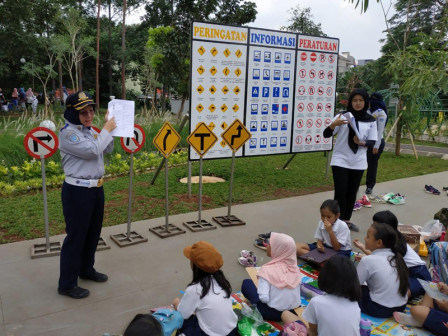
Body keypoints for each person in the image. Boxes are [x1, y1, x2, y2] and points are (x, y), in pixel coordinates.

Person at [58, 91, 116, 299]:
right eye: (83, 112)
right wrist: (106, 131)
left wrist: (110, 128)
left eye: (91, 111)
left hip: (96, 189)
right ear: (73, 114)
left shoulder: (89, 131)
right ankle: (66, 283)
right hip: (77, 191)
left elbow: (106, 148)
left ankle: (86, 269)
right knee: (76, 237)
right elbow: (92, 151)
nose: (89, 115)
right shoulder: (68, 134)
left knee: (93, 233)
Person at [323, 88, 377, 232]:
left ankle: (346, 220)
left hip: (358, 162)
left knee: (352, 193)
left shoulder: (371, 120)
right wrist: (334, 124)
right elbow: (326, 134)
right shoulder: (342, 117)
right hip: (340, 160)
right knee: (340, 192)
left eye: (361, 100)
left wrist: (362, 142)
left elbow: (373, 141)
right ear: (350, 102)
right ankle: (335, 222)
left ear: (365, 102)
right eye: (354, 100)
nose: (357, 103)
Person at [354, 210, 431, 299]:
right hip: (407, 272)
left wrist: (365, 253)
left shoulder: (393, 244)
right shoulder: (391, 239)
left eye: (375, 225)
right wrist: (363, 249)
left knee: (399, 293)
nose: (372, 227)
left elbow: (382, 260)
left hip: (419, 275)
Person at [282, 255, 361, 336]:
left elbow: (313, 331)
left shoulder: (317, 302)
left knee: (285, 314)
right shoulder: (354, 303)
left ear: (325, 276)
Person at [172, 241, 238, 336]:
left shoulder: (194, 290)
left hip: (210, 334)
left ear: (195, 267)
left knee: (180, 320)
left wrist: (177, 303)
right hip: (232, 330)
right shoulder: (222, 281)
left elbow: (183, 314)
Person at [241, 232, 301, 322]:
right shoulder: (295, 268)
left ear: (278, 249)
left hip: (274, 313)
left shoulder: (267, 270)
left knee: (246, 283)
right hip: (294, 311)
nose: (267, 246)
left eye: (270, 244)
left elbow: (264, 299)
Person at [357, 222, 408, 318]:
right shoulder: (397, 257)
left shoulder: (368, 260)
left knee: (347, 290)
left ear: (379, 242)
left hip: (379, 308)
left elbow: (353, 285)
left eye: (368, 237)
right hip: (401, 306)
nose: (364, 239)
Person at [365, 92, 388, 194]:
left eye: (374, 99)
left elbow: (380, 130)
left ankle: (370, 186)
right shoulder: (368, 111)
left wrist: (376, 146)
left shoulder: (381, 113)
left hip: (376, 142)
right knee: (360, 162)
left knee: (372, 164)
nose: (372, 101)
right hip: (365, 141)